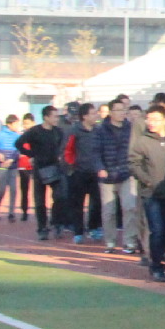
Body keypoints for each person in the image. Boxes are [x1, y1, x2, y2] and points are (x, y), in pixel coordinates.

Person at [129, 105, 165, 283]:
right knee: (157, 230)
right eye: (149, 119)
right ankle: (156, 266)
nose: (151, 123)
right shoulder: (142, 141)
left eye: (155, 119)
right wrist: (147, 180)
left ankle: (158, 254)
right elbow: (134, 164)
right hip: (151, 193)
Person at [95, 99, 143, 257]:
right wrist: (100, 168)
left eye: (124, 110)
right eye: (119, 110)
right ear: (111, 112)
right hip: (107, 175)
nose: (122, 113)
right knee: (109, 211)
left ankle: (130, 241)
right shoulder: (101, 130)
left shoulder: (130, 129)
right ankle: (110, 241)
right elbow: (95, 151)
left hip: (126, 173)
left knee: (130, 207)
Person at [17, 107, 68, 240]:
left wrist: (60, 156)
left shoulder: (58, 132)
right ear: (46, 117)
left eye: (57, 116)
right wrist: (31, 155)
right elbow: (18, 143)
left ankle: (56, 222)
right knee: (40, 200)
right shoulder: (35, 131)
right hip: (39, 168)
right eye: (54, 116)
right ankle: (42, 228)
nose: (57, 119)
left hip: (55, 167)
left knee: (61, 197)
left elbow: (62, 147)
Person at [67, 103, 105, 242]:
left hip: (95, 172)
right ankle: (78, 232)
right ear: (84, 116)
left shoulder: (99, 130)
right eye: (93, 113)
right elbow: (68, 150)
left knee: (97, 202)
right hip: (79, 172)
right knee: (78, 203)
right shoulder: (74, 131)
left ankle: (94, 228)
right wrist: (72, 166)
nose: (96, 116)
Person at [0, 114, 21, 219]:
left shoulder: (17, 136)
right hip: (2, 165)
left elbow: (19, 149)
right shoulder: (1, 134)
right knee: (2, 189)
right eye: (16, 124)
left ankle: (11, 212)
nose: (17, 126)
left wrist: (12, 159)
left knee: (13, 189)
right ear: (9, 124)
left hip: (13, 166)